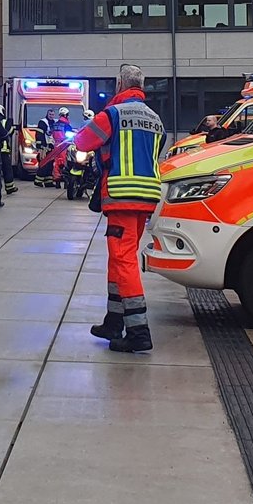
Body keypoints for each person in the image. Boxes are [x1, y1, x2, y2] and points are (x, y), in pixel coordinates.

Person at [73, 63, 165, 353]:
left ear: (119, 84)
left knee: (123, 259)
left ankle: (138, 331)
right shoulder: (155, 118)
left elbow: (83, 142)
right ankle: (114, 321)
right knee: (119, 257)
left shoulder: (112, 114)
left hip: (122, 194)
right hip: (147, 195)